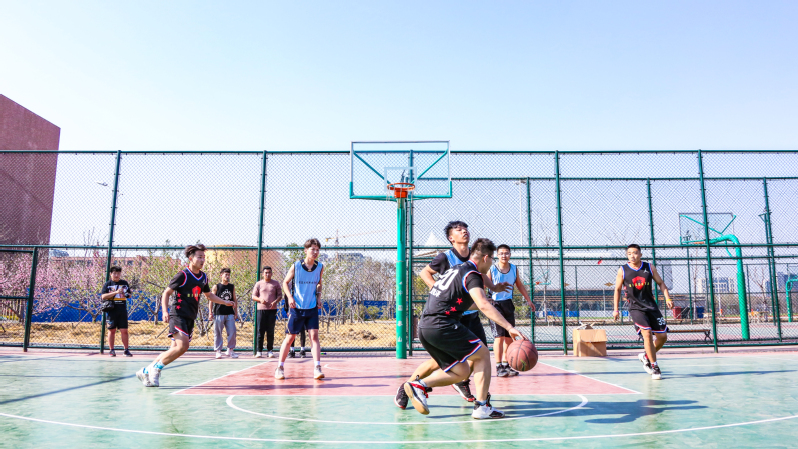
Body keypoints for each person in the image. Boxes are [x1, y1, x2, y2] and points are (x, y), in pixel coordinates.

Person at [404, 238, 525, 419]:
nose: (491, 263)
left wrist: (491, 294)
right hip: (442, 325)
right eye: (492, 258)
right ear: (485, 258)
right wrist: (509, 327)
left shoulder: (456, 269)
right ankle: (482, 406)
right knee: (483, 354)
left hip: (426, 326)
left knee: (461, 371)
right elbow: (482, 304)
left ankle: (418, 385)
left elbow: (462, 302)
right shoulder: (472, 274)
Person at [136, 244, 234, 387]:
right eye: (199, 257)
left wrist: (225, 302)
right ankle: (156, 369)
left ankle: (145, 371)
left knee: (174, 349)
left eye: (204, 257)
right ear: (191, 258)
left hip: (190, 317)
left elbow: (209, 295)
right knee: (183, 346)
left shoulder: (204, 277)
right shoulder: (183, 275)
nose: (202, 260)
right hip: (178, 314)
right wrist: (165, 311)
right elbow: (166, 293)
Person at [613, 244, 673, 380]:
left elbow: (661, 283)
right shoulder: (623, 270)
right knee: (647, 334)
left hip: (651, 306)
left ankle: (646, 356)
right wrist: (616, 309)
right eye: (629, 253)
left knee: (663, 337)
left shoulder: (649, 267)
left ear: (640, 254)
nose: (632, 256)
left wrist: (667, 297)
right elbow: (617, 289)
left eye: (635, 253)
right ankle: (654, 366)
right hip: (636, 308)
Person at [275, 238, 325, 380]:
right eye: (312, 249)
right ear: (306, 250)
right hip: (297, 308)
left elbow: (319, 283)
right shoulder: (296, 266)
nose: (315, 252)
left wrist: (319, 296)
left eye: (317, 250)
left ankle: (317, 368)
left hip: (312, 307)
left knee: (314, 336)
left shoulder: (320, 267)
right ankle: (280, 367)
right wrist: (290, 297)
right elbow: (285, 283)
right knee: (290, 337)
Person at [488, 244, 535, 377]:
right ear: (497, 255)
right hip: (495, 305)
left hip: (508, 304)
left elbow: (519, 285)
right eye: (501, 253)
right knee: (499, 337)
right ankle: (498, 366)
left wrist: (528, 300)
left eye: (506, 253)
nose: (504, 255)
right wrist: (485, 299)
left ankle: (506, 364)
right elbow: (484, 284)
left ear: (510, 254)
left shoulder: (514, 268)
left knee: (509, 337)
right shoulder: (492, 269)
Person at [101, 266, 132, 357]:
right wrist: (115, 292)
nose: (116, 275)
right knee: (111, 330)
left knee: (124, 330)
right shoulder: (108, 284)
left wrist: (125, 294)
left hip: (122, 309)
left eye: (118, 273)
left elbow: (129, 295)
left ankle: (126, 350)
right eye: (114, 273)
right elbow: (103, 296)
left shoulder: (124, 283)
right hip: (111, 310)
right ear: (111, 274)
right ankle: (111, 350)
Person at [253, 266, 281, 358]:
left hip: (272, 310)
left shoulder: (276, 283)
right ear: (263, 274)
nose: (267, 274)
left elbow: (280, 296)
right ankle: (259, 351)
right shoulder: (258, 284)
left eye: (269, 272)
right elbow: (253, 296)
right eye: (266, 273)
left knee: (270, 331)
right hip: (261, 310)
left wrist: (275, 302)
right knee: (260, 330)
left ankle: (270, 351)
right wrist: (260, 300)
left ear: (271, 273)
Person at [210, 267, 239, 359]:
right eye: (226, 274)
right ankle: (218, 351)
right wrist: (210, 312)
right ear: (221, 275)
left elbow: (234, 299)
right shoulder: (216, 286)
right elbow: (211, 299)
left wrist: (236, 312)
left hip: (230, 312)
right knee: (218, 332)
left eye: (229, 275)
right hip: (219, 313)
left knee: (232, 331)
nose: (227, 276)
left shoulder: (232, 286)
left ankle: (230, 350)